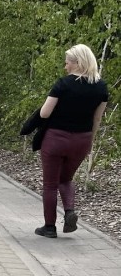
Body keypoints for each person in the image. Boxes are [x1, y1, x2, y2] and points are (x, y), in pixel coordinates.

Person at [33, 43, 108, 238]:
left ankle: (49, 227)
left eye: (67, 63)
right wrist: (89, 139)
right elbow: (97, 119)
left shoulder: (63, 84)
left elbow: (44, 112)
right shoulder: (101, 87)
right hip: (82, 140)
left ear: (77, 63)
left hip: (56, 139)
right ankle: (69, 211)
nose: (65, 67)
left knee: (50, 184)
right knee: (65, 179)